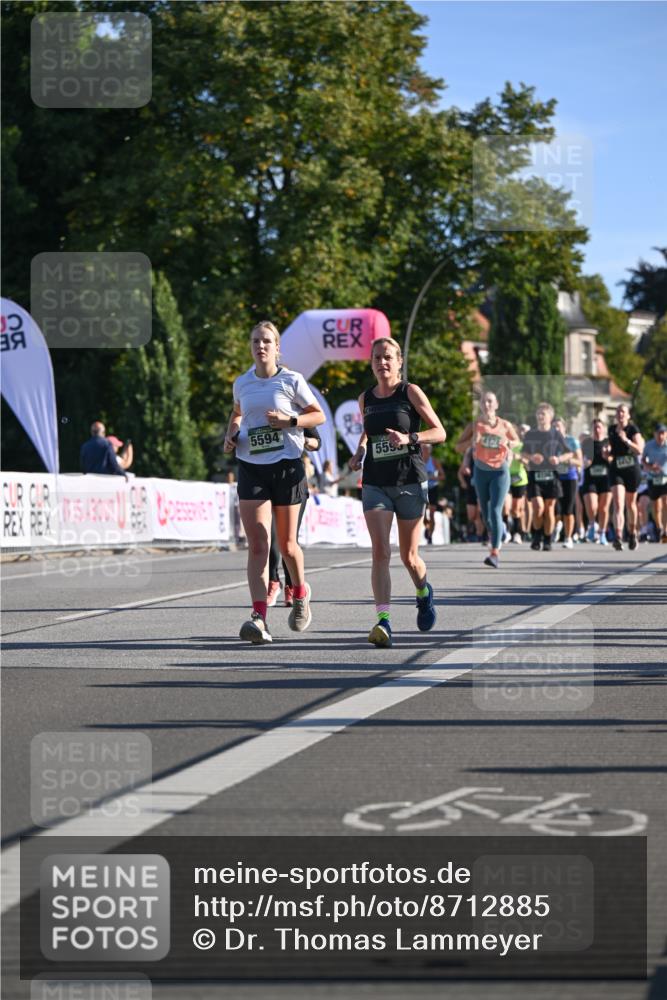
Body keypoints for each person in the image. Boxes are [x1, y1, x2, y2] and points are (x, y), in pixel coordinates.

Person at [224, 320, 325, 644]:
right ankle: (259, 617)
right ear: (251, 346)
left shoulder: (291, 380)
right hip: (251, 466)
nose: (261, 345)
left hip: (287, 466)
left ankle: (300, 592)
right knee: (258, 544)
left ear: (277, 347)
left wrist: (290, 421)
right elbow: (237, 413)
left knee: (288, 545)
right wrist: (231, 434)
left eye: (267, 341)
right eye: (256, 340)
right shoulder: (242, 383)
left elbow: (317, 415)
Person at [349, 337, 445, 647]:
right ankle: (384, 622)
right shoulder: (365, 398)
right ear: (372, 362)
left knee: (409, 557)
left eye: (388, 357)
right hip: (375, 481)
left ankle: (423, 592)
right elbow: (368, 431)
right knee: (380, 552)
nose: (382, 362)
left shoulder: (410, 392)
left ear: (399, 361)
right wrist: (359, 452)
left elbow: (440, 432)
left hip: (409, 482)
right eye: (377, 357)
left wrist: (409, 437)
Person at [456, 390, 519, 568]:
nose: (487, 405)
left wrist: (509, 443)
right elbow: (458, 448)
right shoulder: (474, 426)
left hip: (500, 471)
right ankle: (499, 531)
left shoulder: (505, 425)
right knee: (485, 513)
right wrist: (471, 443)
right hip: (481, 472)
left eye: (490, 401)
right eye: (484, 402)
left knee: (495, 510)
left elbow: (517, 442)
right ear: (481, 405)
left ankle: (494, 553)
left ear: (496, 405)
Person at [521, 402, 573, 552]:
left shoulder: (556, 434)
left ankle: (548, 539)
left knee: (549, 509)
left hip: (552, 476)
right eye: (538, 414)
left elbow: (569, 453)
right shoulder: (531, 434)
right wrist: (531, 457)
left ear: (550, 416)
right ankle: (537, 535)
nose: (540, 416)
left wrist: (559, 459)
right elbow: (523, 452)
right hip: (535, 475)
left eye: (543, 414)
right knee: (538, 508)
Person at [608, 403, 644, 551]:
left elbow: (639, 450)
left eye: (623, 412)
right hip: (616, 470)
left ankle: (632, 533)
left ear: (628, 415)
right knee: (618, 503)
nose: (620, 414)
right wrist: (607, 452)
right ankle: (617, 536)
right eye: (618, 411)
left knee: (630, 505)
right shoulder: (611, 430)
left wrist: (626, 440)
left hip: (631, 470)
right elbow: (611, 449)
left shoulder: (633, 429)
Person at [580, 418, 612, 545]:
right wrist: (585, 462)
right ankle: (592, 524)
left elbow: (614, 460)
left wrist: (608, 457)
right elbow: (580, 458)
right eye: (594, 428)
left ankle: (602, 533)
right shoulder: (587, 443)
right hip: (591, 479)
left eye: (599, 427)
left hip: (606, 479)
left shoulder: (609, 442)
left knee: (604, 509)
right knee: (593, 507)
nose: (597, 430)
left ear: (603, 428)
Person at [553, 416, 582, 549]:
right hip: (555, 477)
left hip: (570, 477)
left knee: (568, 509)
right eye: (554, 426)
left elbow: (580, 461)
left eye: (558, 426)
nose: (556, 429)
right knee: (555, 507)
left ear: (564, 428)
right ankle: (557, 525)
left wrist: (569, 460)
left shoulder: (572, 441)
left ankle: (568, 537)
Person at [642, 423, 667, 543]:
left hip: (666, 478)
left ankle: (666, 530)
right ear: (654, 434)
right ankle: (660, 528)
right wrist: (650, 467)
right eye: (658, 433)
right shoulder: (649, 445)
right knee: (656, 507)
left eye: (663, 433)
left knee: (666, 502)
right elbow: (643, 460)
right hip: (653, 478)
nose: (661, 436)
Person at [456, 447, 483, 541]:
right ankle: (473, 531)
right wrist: (463, 482)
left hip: (481, 488)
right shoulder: (469, 455)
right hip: (470, 488)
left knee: (480, 512)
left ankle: (480, 535)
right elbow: (460, 473)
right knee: (472, 515)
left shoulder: (485, 456)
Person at [421, 443, 445, 544]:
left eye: (426, 449)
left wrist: (433, 477)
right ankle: (427, 527)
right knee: (423, 513)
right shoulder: (419, 460)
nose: (424, 451)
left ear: (430, 450)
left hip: (433, 487)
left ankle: (430, 535)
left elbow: (443, 476)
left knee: (432, 512)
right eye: (423, 448)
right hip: (422, 488)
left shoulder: (434, 461)